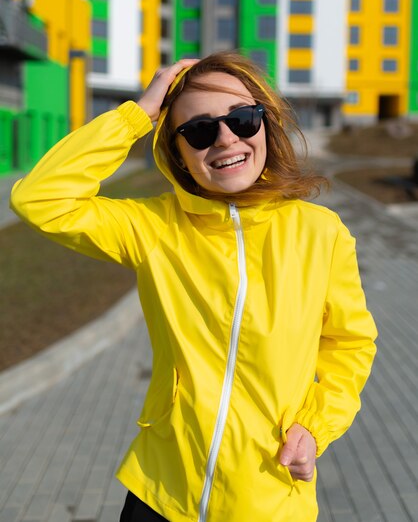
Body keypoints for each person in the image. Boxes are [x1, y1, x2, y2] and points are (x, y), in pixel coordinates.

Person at [10, 51, 377, 522]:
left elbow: (350, 345)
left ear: (265, 124)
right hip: (159, 492)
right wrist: (137, 115)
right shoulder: (154, 227)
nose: (225, 138)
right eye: (199, 131)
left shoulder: (321, 233)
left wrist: (314, 426)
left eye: (243, 119)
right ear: (178, 153)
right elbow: (39, 198)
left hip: (267, 499)